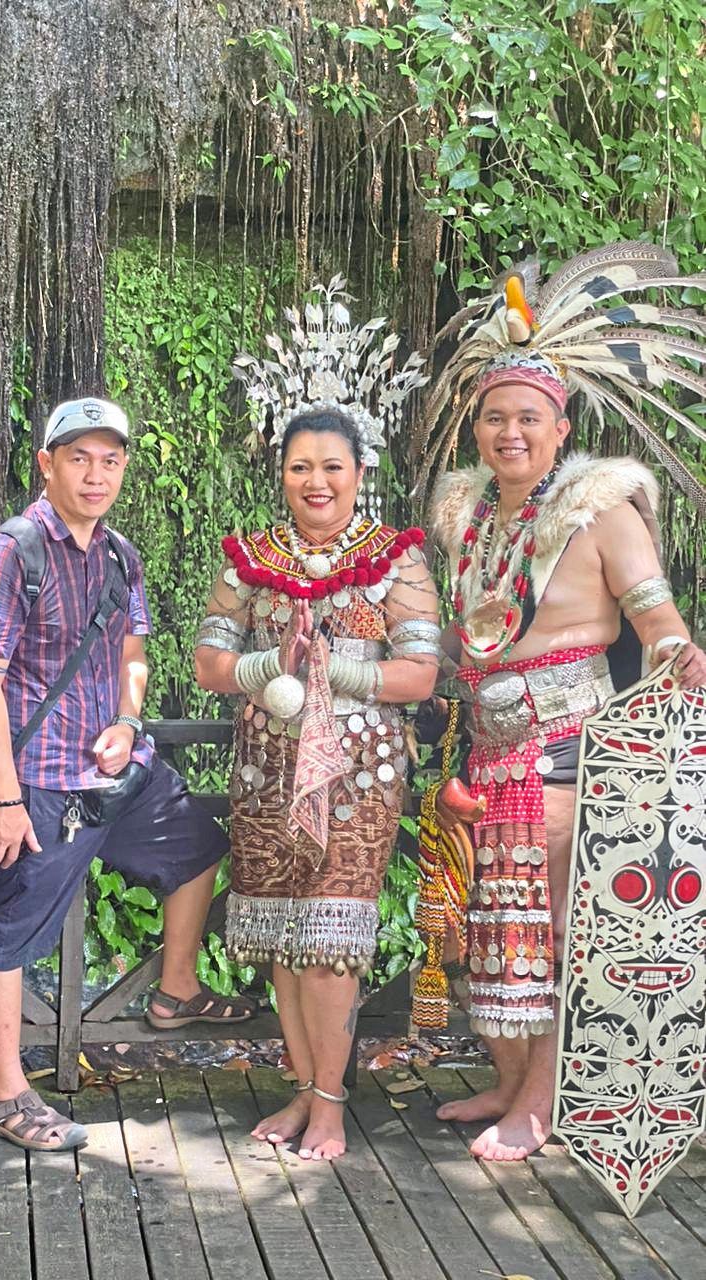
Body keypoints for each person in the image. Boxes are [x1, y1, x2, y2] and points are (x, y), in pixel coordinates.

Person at [420, 248, 706, 1162]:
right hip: (486, 754)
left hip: (568, 754)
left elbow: (655, 615)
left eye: (528, 418)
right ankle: (508, 1083)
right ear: (477, 429)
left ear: (561, 423)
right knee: (490, 929)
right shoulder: (469, 522)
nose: (512, 432)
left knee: (550, 935)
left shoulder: (601, 512)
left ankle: (539, 1106)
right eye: (496, 417)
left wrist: (675, 651)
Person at [0, 395, 254, 1152]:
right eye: (79, 458)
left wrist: (127, 720)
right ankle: (8, 1095)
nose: (96, 474)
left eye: (110, 460)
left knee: (200, 847)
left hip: (119, 774)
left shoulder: (121, 554)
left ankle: (176, 988)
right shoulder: (13, 553)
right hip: (44, 784)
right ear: (47, 464)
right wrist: (2, 796)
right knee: (10, 937)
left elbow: (132, 652)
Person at [196, 282, 440, 1161]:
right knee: (283, 938)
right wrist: (265, 671)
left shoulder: (395, 561)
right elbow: (207, 662)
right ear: (283, 473)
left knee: (332, 940)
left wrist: (330, 671)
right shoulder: (249, 559)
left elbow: (421, 672)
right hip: (264, 768)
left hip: (360, 775)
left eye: (332, 466)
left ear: (360, 474)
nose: (316, 481)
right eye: (301, 466)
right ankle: (303, 1094)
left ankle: (333, 1105)